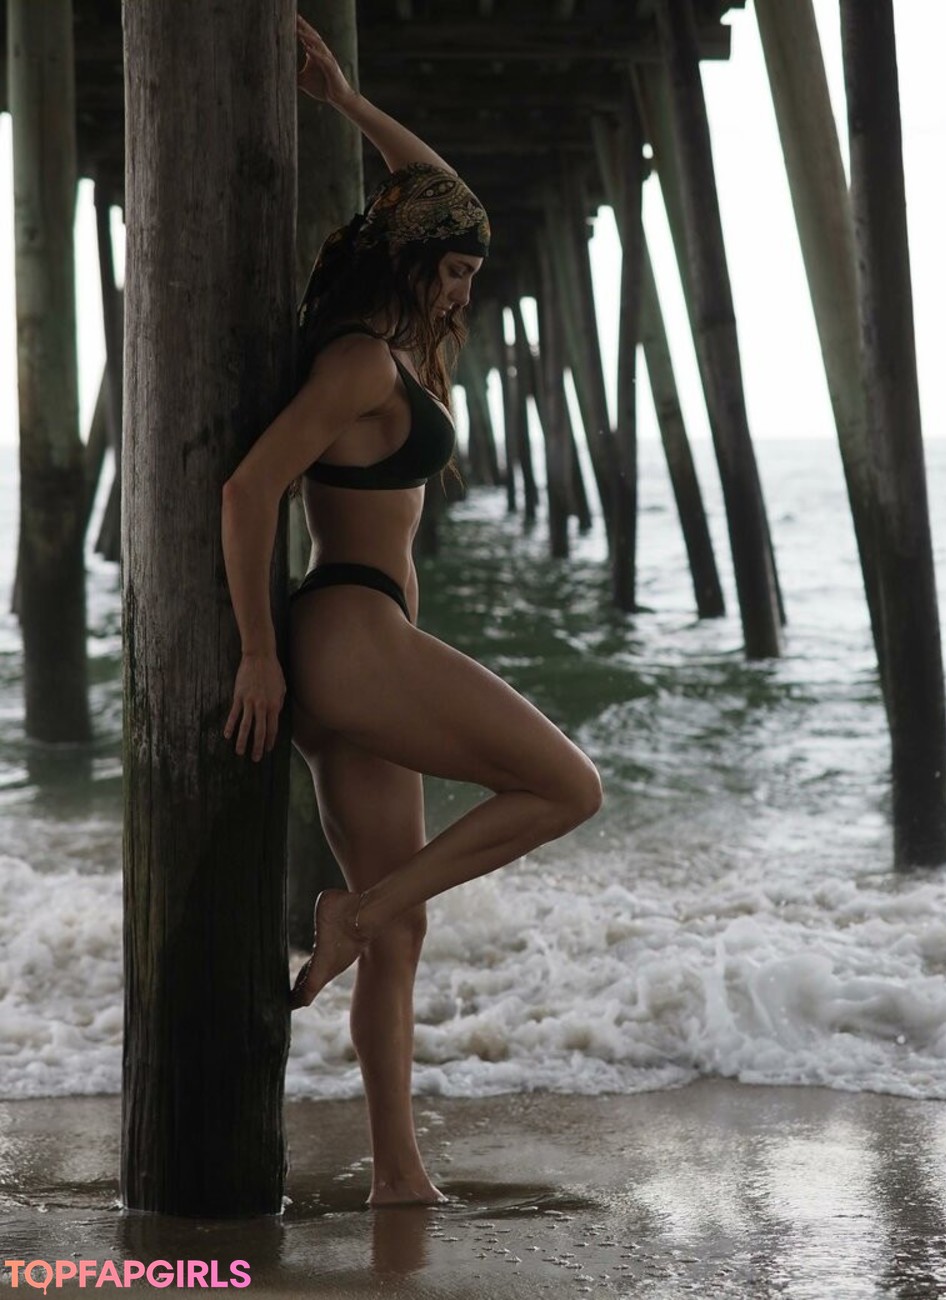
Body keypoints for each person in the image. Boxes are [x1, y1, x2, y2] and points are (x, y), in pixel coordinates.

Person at [220, 15, 602, 1206]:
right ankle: (357, 910)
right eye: (456, 268)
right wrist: (259, 655)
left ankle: (399, 1174)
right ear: (410, 259)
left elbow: (437, 192)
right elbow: (247, 489)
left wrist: (345, 103)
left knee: (401, 937)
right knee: (568, 788)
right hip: (350, 632)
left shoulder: (390, 346)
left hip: (354, 646)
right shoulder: (361, 366)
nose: (467, 284)